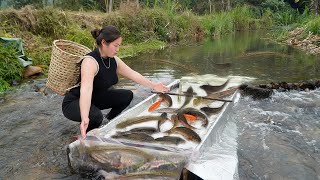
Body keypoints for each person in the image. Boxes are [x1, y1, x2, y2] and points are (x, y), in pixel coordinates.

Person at [62, 26, 169, 138]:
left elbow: (133, 74)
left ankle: (108, 122)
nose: (117, 49)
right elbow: (86, 90)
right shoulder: (90, 62)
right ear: (104, 43)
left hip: (95, 98)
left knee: (126, 96)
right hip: (75, 101)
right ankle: (85, 135)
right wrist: (85, 117)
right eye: (115, 46)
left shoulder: (114, 60)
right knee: (96, 116)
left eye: (119, 46)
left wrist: (154, 85)